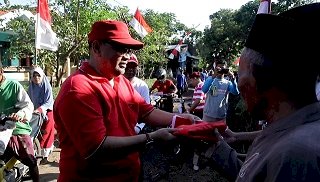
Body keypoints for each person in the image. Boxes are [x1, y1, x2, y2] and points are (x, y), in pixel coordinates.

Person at [53, 20, 199, 182]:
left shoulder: (119, 81)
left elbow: (146, 111)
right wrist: (151, 137)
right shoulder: (78, 88)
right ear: (96, 48)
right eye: (120, 48)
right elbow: (97, 148)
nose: (127, 55)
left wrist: (180, 119)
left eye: (129, 50)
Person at [207, 3, 320, 181]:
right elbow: (256, 170)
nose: (241, 87)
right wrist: (221, 148)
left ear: (255, 83)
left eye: (241, 77)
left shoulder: (294, 155)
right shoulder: (290, 132)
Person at [0, 62, 39, 182]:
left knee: (30, 160)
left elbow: (28, 105)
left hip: (17, 127)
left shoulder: (14, 86)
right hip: (1, 128)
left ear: (1, 71)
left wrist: (19, 115)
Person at [27, 66, 55, 165]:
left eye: (38, 76)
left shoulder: (46, 86)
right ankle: (38, 154)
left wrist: (40, 109)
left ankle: (45, 156)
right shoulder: (31, 87)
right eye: (34, 76)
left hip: (47, 112)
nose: (36, 78)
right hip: (35, 114)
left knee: (46, 133)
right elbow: (28, 101)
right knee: (37, 134)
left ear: (42, 76)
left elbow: (49, 101)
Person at [123, 54, 150, 134]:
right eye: (128, 66)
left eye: (133, 67)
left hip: (138, 125)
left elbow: (147, 112)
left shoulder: (142, 85)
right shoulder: (115, 83)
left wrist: (139, 127)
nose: (130, 70)